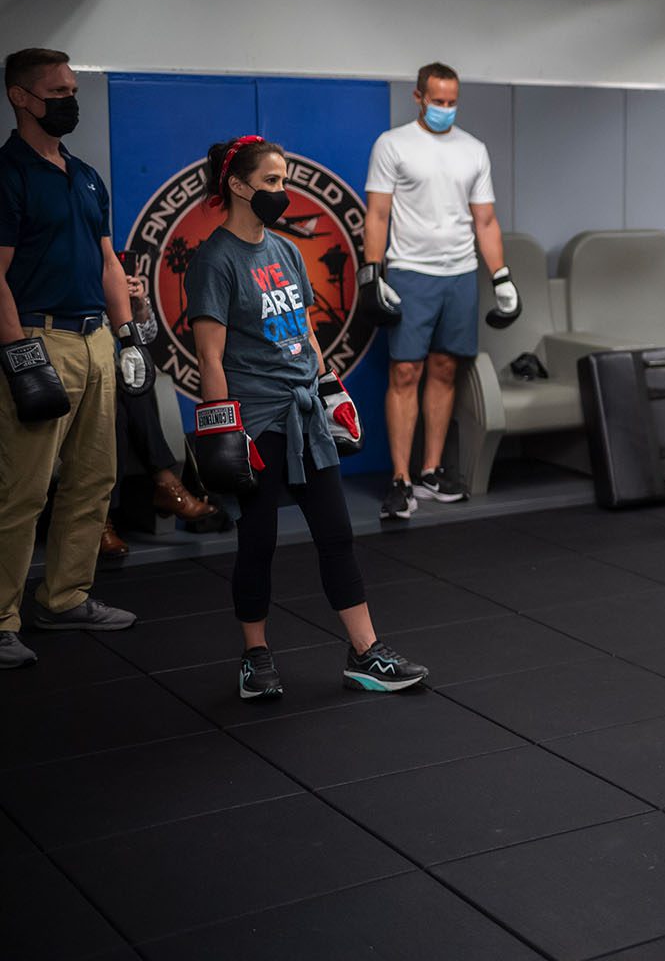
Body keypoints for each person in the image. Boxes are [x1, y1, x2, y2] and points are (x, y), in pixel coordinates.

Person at [187, 135, 427, 699]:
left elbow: (304, 328)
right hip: (258, 419)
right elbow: (210, 356)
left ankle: (365, 654)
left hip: (303, 412)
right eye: (271, 181)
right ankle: (255, 655)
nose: (281, 191)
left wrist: (327, 389)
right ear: (238, 185)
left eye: (284, 180)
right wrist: (226, 430)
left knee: (337, 534)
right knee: (259, 540)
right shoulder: (214, 260)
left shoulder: (286, 251)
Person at [1, 48, 140, 670]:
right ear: (20, 97)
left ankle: (63, 598)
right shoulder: (8, 174)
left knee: (93, 479)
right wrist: (19, 356)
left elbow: (111, 262)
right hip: (41, 338)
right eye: (56, 92)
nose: (68, 101)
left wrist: (129, 335)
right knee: (22, 491)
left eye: (72, 90)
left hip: (96, 342)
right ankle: (0, 621)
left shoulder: (85, 175)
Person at [361, 61, 518, 522]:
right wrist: (373, 273)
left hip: (460, 272)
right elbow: (377, 215)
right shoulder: (392, 145)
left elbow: (485, 220)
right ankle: (400, 478)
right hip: (411, 271)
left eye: (452, 102)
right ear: (419, 97)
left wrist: (501, 275)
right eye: (437, 101)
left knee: (446, 368)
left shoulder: (473, 150)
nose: (445, 109)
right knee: (405, 372)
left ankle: (430, 471)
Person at [102, 270, 222, 561]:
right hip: (83, 372)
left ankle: (113, 515)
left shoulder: (108, 272)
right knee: (116, 412)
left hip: (113, 374)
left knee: (137, 383)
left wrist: (138, 303)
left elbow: (145, 336)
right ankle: (163, 486)